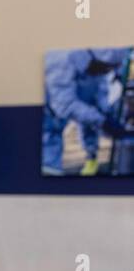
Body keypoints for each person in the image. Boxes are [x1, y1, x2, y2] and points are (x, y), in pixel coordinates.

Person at [42, 47, 127, 176]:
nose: (106, 72)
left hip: (58, 119)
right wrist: (102, 121)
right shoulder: (62, 60)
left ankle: (91, 158)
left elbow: (97, 97)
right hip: (47, 120)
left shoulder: (96, 67)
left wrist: (107, 115)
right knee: (48, 157)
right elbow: (64, 105)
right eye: (106, 68)